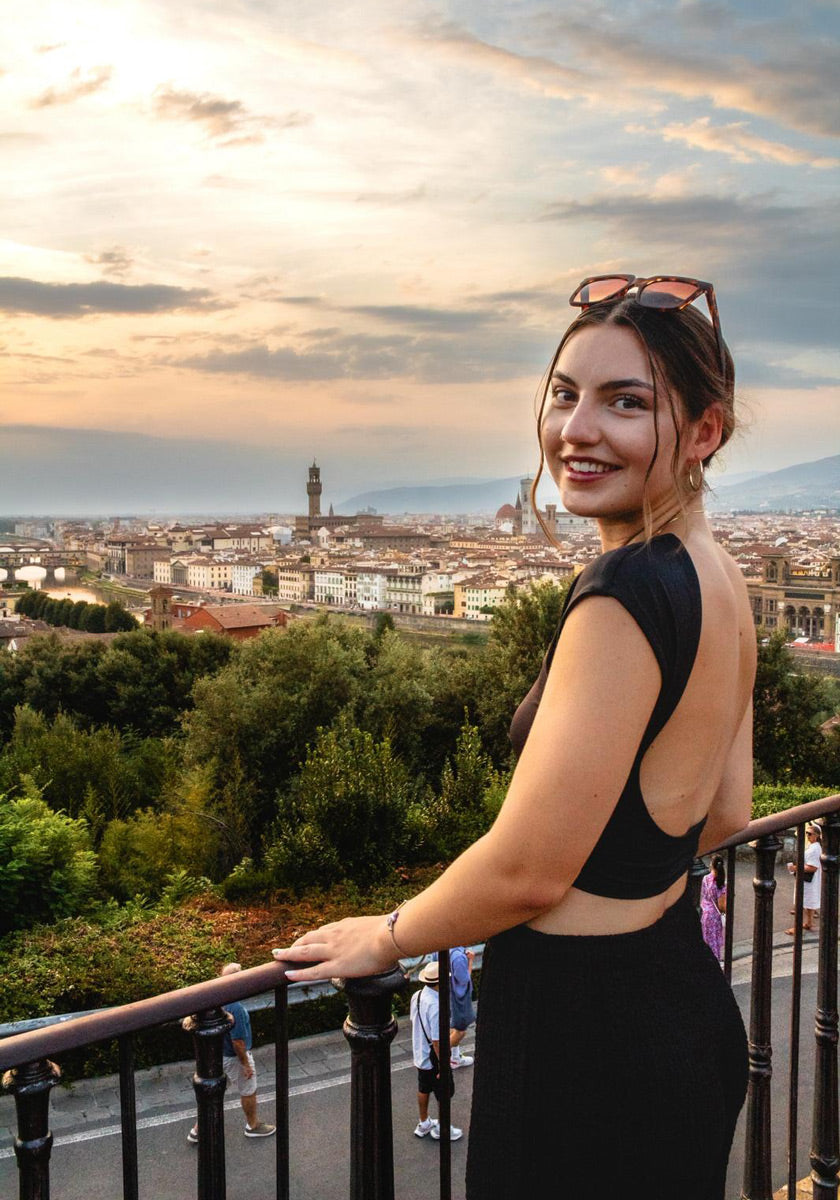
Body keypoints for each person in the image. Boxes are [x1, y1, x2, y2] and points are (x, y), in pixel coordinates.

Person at [273, 273, 754, 1198]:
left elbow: (528, 867)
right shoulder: (716, 572)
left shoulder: (625, 593)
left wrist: (391, 933)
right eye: (566, 394)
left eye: (626, 402)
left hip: (585, 1039)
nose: (578, 428)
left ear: (704, 431)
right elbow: (727, 810)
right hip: (680, 1003)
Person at [187, 963, 276, 1143]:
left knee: (212, 1094)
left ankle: (199, 1130)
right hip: (235, 1058)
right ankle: (253, 1126)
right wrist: (245, 1064)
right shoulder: (237, 1008)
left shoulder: (218, 999)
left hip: (219, 1056)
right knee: (249, 1090)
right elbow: (238, 1041)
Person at [409, 960, 463, 1141]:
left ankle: (423, 1122)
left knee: (423, 1087)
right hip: (433, 1057)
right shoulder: (436, 1006)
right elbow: (437, 1041)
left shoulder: (417, 996)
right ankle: (443, 1127)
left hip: (420, 1053)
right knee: (443, 1093)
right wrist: (443, 1065)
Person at [431, 947, 476, 1068]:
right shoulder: (459, 957)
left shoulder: (439, 948)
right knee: (460, 1031)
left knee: (452, 1027)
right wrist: (471, 961)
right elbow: (464, 981)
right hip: (458, 999)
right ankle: (440, 1057)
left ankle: (455, 1058)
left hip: (446, 993)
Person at [787, 822, 822, 934]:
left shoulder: (814, 849)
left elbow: (812, 867)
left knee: (799, 902)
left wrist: (795, 868)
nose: (808, 835)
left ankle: (796, 928)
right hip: (810, 880)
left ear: (816, 835)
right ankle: (809, 922)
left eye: (810, 834)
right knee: (808, 903)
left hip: (807, 880)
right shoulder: (814, 847)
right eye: (807, 833)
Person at [701, 854, 727, 961]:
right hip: (715, 916)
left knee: (706, 940)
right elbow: (722, 906)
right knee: (715, 941)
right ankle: (715, 961)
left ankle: (706, 961)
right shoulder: (721, 883)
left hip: (705, 913)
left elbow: (703, 896)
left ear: (711, 865)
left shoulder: (705, 879)